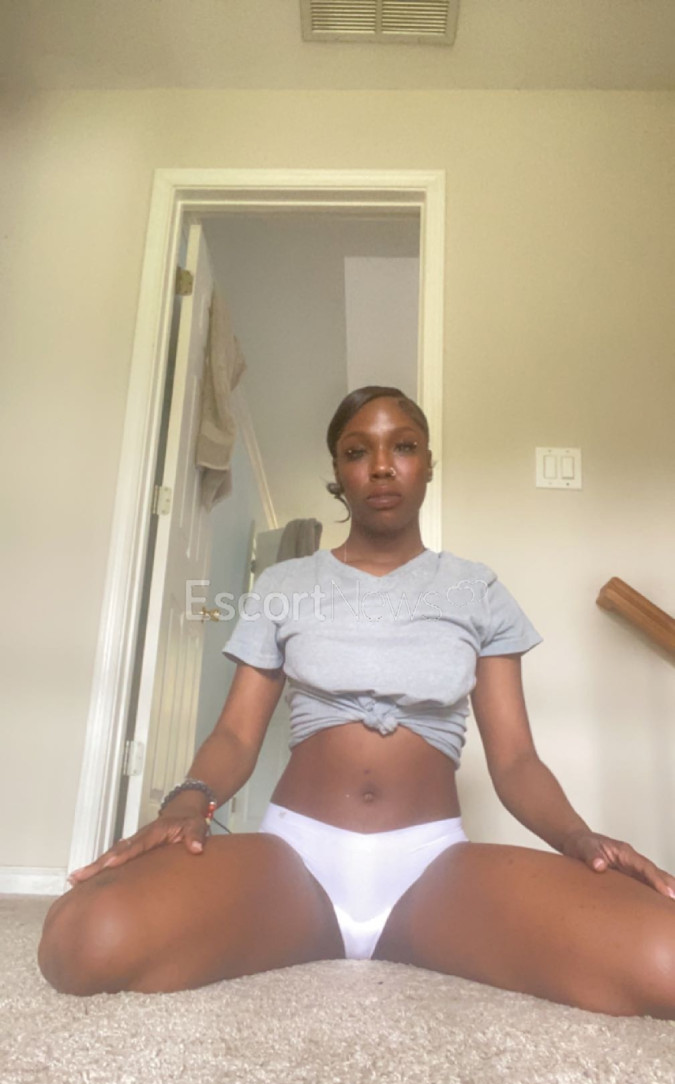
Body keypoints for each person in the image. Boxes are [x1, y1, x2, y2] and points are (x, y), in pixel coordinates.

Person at [38, 387, 675, 1018]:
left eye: (404, 447)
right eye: (357, 451)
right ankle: (293, 928)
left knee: (664, 958)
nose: (381, 466)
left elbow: (516, 762)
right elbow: (235, 735)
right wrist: (188, 803)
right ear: (338, 474)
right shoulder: (285, 585)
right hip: (295, 861)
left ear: (428, 464)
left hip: (433, 869)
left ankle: (417, 935)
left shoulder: (476, 590)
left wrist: (579, 837)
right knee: (83, 941)